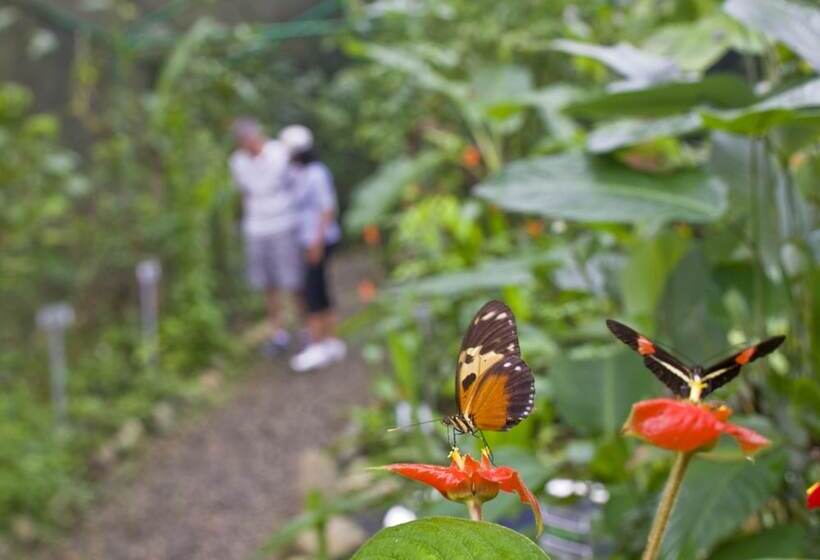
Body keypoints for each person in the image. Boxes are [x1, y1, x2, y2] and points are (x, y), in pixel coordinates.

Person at [230, 118, 302, 356]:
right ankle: (278, 333)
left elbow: (296, 184)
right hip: (256, 227)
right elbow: (244, 194)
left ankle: (306, 328)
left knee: (293, 280)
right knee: (267, 284)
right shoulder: (238, 162)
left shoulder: (279, 153)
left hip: (283, 222)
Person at [279, 124, 346, 372]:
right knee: (320, 289)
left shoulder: (317, 173)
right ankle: (331, 340)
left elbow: (326, 210)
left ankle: (317, 344)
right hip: (307, 240)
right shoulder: (298, 173)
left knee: (313, 292)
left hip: (318, 241)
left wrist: (316, 242)